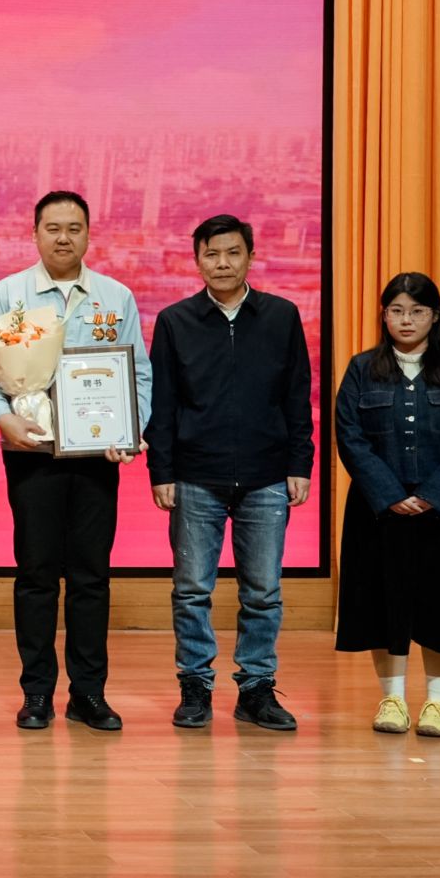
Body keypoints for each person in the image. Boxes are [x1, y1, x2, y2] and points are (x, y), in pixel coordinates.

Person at [0, 191, 150, 733]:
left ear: (89, 234)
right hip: (32, 454)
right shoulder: (7, 295)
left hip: (97, 455)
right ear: (35, 234)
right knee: (37, 574)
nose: (64, 237)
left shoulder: (116, 297)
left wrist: (129, 430)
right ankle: (37, 692)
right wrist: (4, 419)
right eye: (53, 228)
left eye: (74, 228)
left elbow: (138, 373)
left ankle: (89, 693)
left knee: (92, 575)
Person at [145, 215, 312, 732]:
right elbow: (163, 403)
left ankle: (256, 689)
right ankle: (195, 686)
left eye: (233, 253)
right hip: (196, 476)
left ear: (250, 257)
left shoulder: (281, 316)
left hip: (267, 476)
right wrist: (161, 470)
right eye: (212, 254)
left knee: (263, 592)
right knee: (192, 590)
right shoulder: (175, 321)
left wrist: (300, 464)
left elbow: (297, 396)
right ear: (197, 260)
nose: (222, 263)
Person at [333, 273, 440, 738]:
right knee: (382, 602)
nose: (407, 320)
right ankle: (393, 700)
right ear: (384, 315)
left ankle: (437, 704)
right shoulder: (362, 368)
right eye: (397, 311)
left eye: (417, 311)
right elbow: (349, 435)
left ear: (434, 316)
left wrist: (433, 494)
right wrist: (389, 495)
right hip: (377, 509)